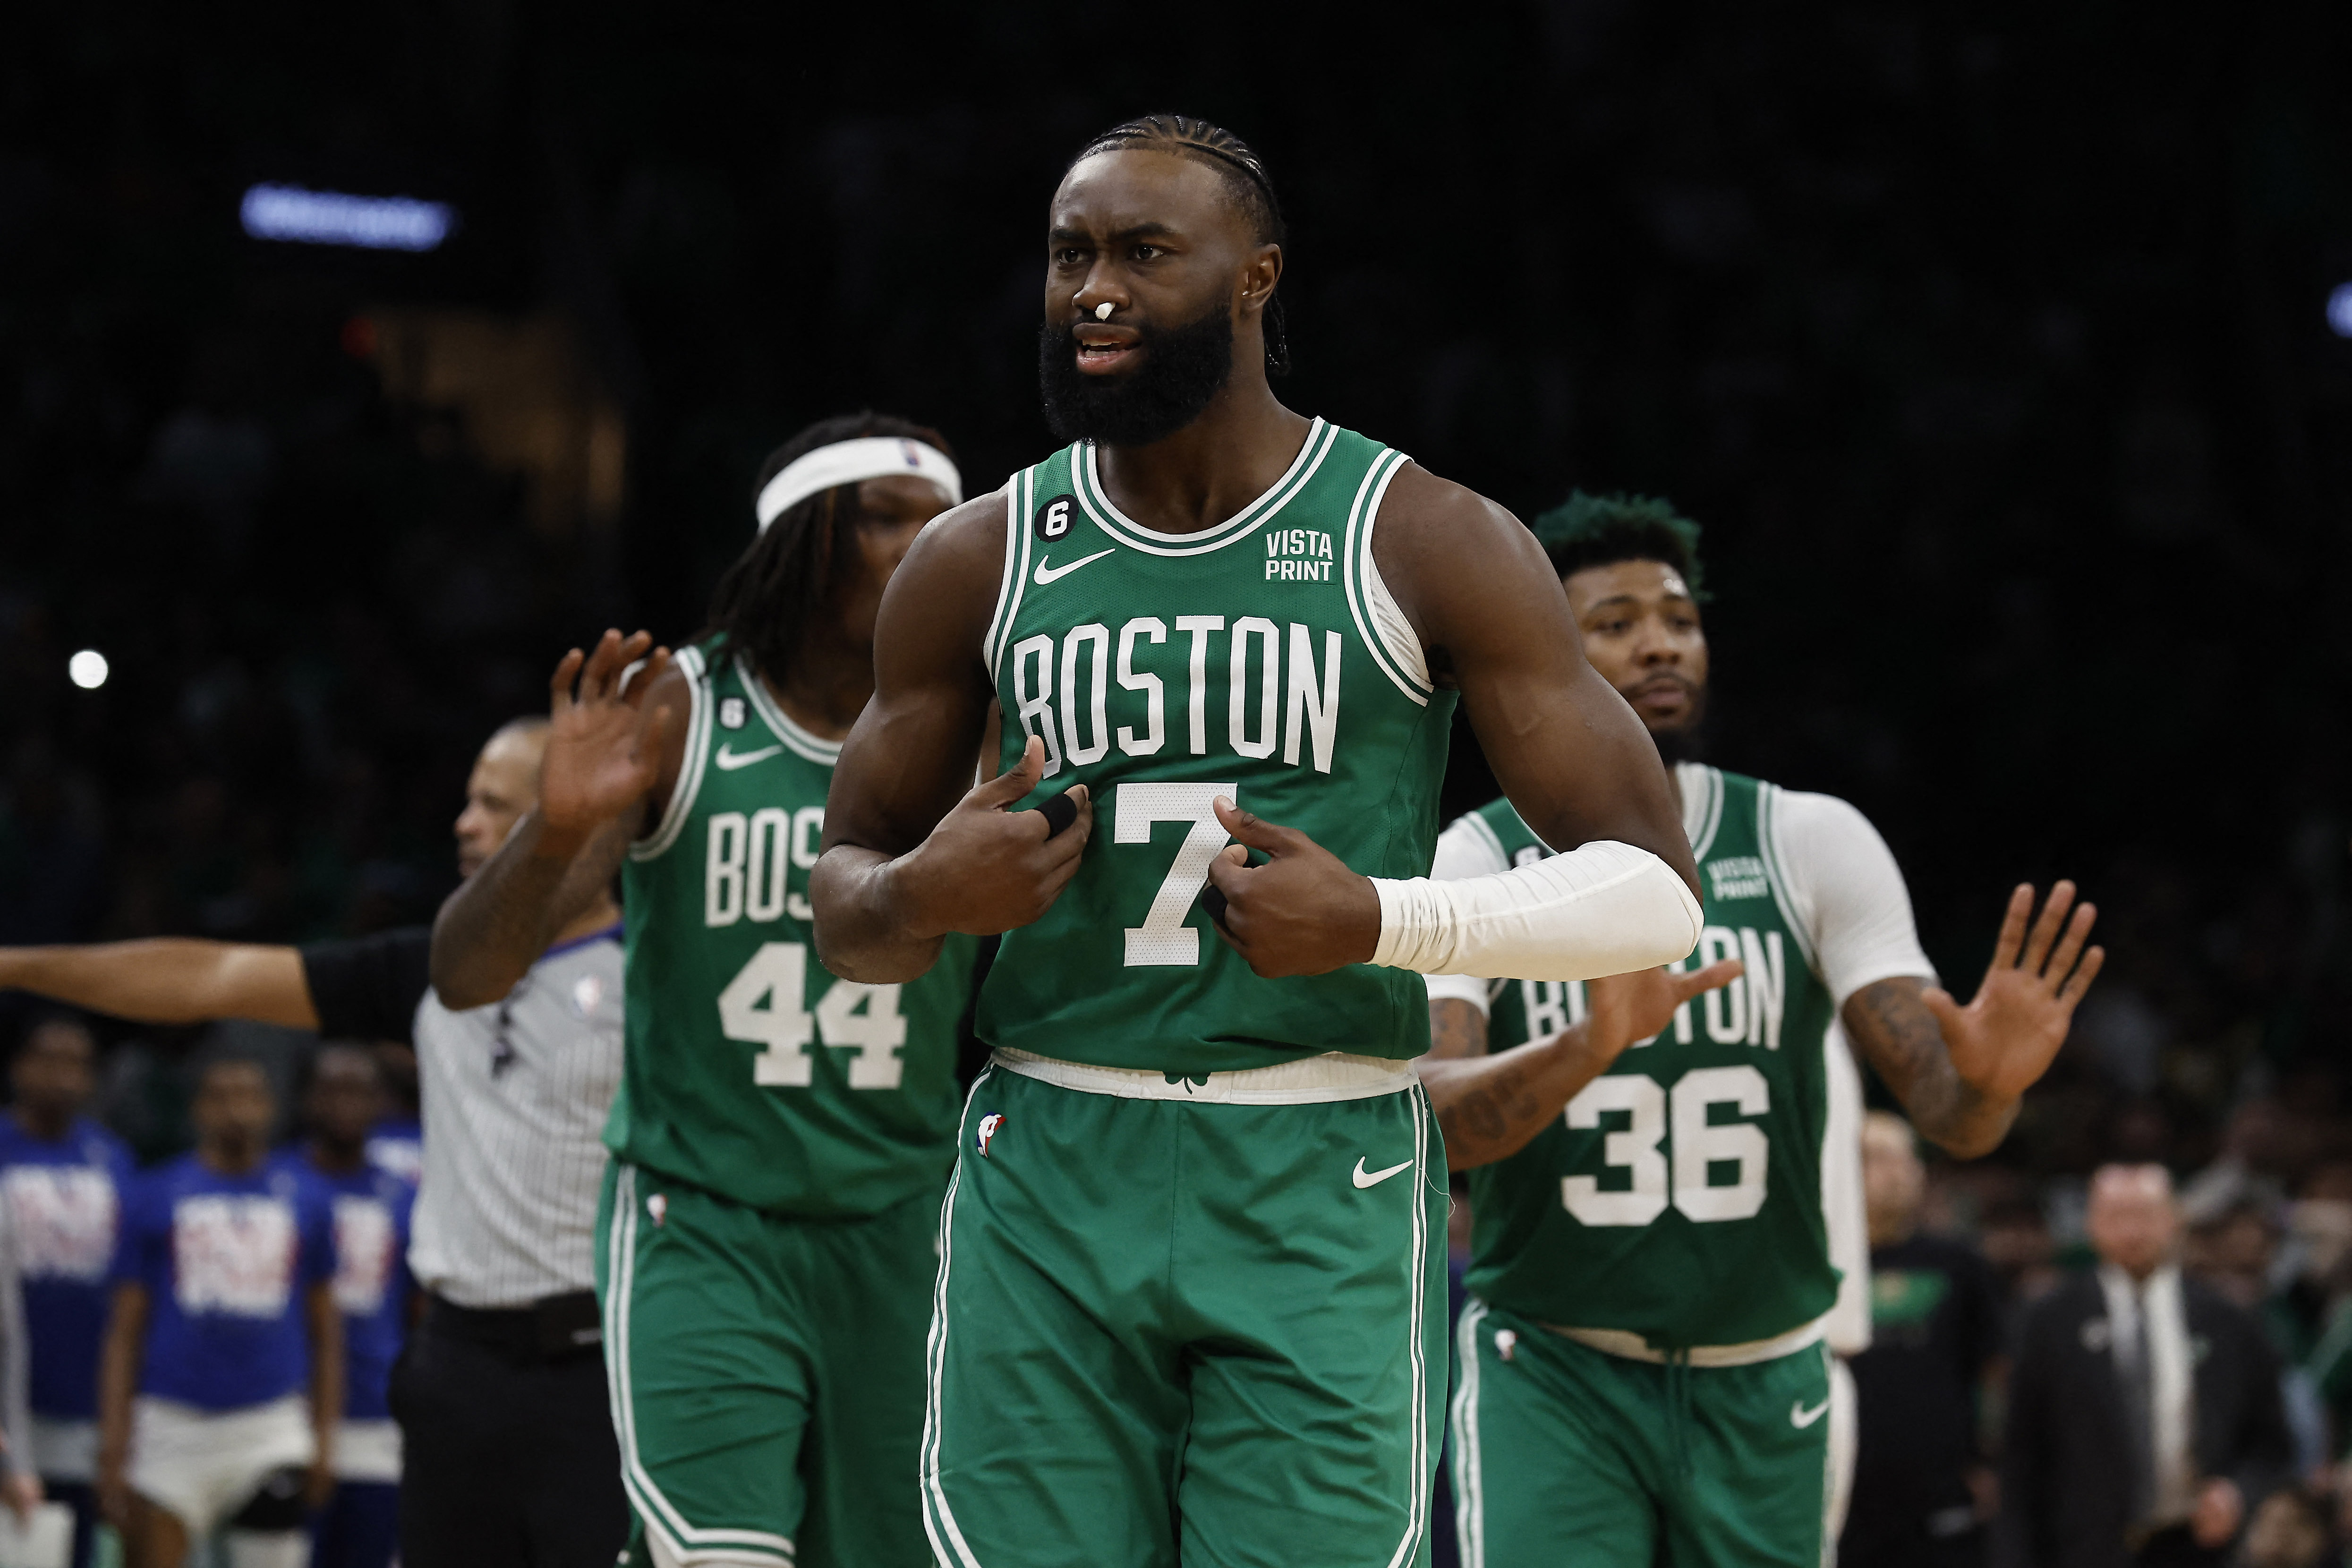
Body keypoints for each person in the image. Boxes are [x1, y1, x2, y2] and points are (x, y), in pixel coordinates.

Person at [809, 116, 1705, 1567]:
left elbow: (1656, 894)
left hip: (1321, 1153)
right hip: (1050, 1145)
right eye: (1069, 255)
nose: (1094, 287)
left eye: (1144, 253)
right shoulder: (977, 554)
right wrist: (915, 889)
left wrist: (1391, 923)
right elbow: (841, 904)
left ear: (1255, 278)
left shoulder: (1423, 534)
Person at [1420, 493, 2102, 1568]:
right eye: (1614, 622)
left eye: (1678, 618)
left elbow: (1950, 1118)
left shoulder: (1808, 840)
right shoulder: (1477, 857)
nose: (1659, 640)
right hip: (1551, 1364)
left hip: (1763, 1369)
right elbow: (1438, 1130)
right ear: (1546, 648)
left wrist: (1990, 1086)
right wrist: (1585, 1044)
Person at [437, 411, 980, 1568]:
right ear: (801, 537)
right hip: (708, 1220)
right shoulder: (680, 710)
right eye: (888, 518)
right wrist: (556, 832)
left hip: (903, 1227)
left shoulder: (982, 732)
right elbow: (467, 974)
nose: (926, 544)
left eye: (942, 522)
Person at [0, 717, 631, 1568]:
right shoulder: (426, 973)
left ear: (563, 819)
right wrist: (14, 965)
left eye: (491, 805)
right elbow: (208, 977)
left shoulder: (655, 974)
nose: (463, 824)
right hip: (453, 1366)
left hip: (602, 1367)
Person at [98, 1053, 342, 1568]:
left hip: (268, 1423)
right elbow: (124, 1331)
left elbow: (327, 1330)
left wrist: (324, 1436)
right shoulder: (154, 1192)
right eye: (222, 1096)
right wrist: (115, 1441)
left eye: (250, 1095)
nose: (237, 1109)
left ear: (272, 1107)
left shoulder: (308, 1198)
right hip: (170, 1422)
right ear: (198, 1110)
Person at [1997, 1163, 2293, 1567]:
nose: (2132, 1232)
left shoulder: (2228, 1320)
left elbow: (2272, 1446)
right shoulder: (2049, 1322)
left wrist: (2238, 1492)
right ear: (2090, 1224)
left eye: (2145, 1215)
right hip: (2082, 1549)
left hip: (2197, 1549)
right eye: (2117, 1217)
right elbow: (2020, 1458)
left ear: (2174, 1220)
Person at [1842, 1110, 2007, 1568]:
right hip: (1837, 1490)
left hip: (1941, 1491)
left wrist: (1990, 1460)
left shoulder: (1959, 1263)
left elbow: (1995, 1369)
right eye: (1875, 1158)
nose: (1896, 1172)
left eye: (1906, 1158)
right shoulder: (1813, 1266)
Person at [0, 1015, 131, 1568]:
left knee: (69, 1551)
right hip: (11, 1398)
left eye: (77, 1063)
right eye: (49, 1058)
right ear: (18, 1068)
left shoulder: (114, 1160)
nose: (63, 1075)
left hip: (82, 1401)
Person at [281, 1045, 412, 1568]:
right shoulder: (277, 1181)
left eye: (360, 1089)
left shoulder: (400, 1195)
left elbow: (419, 1308)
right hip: (287, 1415)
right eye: (332, 1088)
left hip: (376, 1415)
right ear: (308, 1099)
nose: (346, 1103)